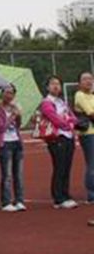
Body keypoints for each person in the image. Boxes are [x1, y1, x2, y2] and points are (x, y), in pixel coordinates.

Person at [39, 76, 78, 209]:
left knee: (67, 167)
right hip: (56, 137)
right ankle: (58, 198)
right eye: (52, 84)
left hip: (68, 136)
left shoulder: (62, 102)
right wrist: (69, 124)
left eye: (58, 84)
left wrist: (70, 123)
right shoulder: (46, 102)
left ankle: (65, 194)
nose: (56, 86)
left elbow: (72, 117)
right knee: (59, 167)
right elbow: (55, 119)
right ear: (47, 87)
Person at [0, 85, 26, 212]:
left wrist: (18, 115)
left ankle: (19, 200)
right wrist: (12, 116)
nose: (9, 95)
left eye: (11, 93)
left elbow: (18, 125)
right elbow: (1, 128)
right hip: (5, 143)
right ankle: (6, 201)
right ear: (2, 93)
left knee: (19, 174)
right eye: (6, 92)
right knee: (7, 174)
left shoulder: (14, 107)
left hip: (16, 141)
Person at [73, 71, 94, 204]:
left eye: (90, 78)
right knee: (92, 163)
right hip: (88, 134)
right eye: (85, 79)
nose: (88, 81)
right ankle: (91, 194)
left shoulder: (92, 96)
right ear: (79, 83)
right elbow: (90, 113)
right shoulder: (79, 95)